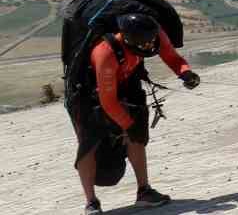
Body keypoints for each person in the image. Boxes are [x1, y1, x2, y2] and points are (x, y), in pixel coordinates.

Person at [71, 12, 200, 212]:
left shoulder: (153, 34)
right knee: (89, 145)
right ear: (129, 39)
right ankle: (91, 203)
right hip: (90, 94)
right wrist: (127, 125)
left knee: (137, 137)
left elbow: (171, 56)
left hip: (127, 82)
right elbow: (108, 101)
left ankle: (144, 191)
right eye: (145, 45)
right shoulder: (105, 53)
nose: (150, 46)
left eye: (151, 42)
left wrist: (185, 72)